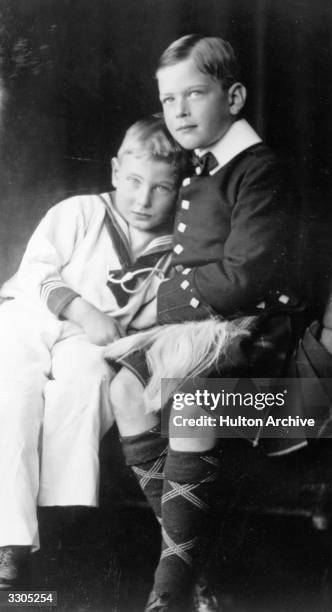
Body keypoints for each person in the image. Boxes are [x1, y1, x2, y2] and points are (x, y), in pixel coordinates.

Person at [107, 34, 302, 612]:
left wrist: (156, 303)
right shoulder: (201, 167)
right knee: (124, 388)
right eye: (168, 100)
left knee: (190, 396)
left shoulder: (259, 168)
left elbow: (243, 277)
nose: (179, 111)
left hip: (250, 329)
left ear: (234, 95)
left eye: (195, 94)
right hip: (203, 325)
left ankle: (169, 588)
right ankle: (197, 565)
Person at [0, 117, 187, 588]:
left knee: (86, 388)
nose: (143, 200)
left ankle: (62, 521)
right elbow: (37, 272)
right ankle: (10, 540)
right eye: (133, 182)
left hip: (92, 341)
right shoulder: (81, 211)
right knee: (14, 400)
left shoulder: (171, 251)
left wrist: (114, 334)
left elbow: (147, 315)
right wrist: (83, 311)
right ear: (114, 172)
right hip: (32, 317)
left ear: (179, 190)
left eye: (161, 189)